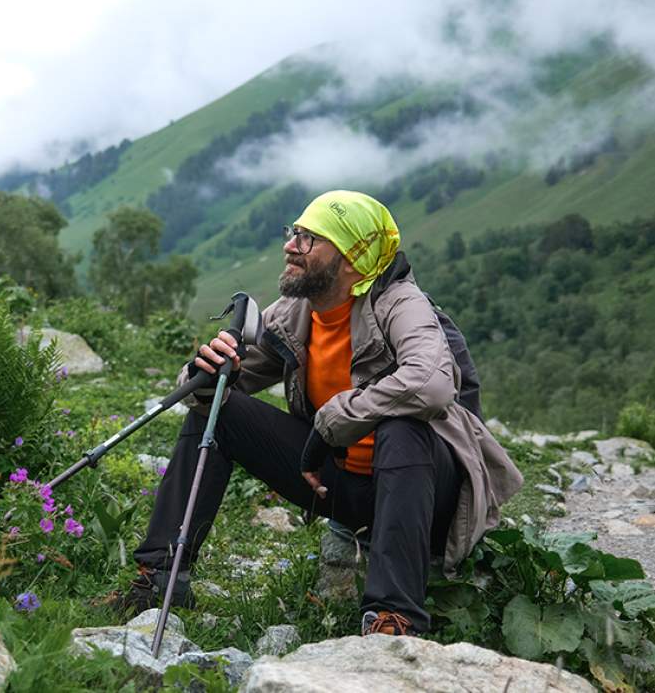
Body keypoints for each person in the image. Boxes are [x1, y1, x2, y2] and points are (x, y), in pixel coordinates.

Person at [108, 189, 523, 636]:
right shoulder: (294, 313)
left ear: (350, 259)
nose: (290, 245)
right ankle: (160, 577)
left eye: (308, 238)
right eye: (294, 232)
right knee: (216, 410)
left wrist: (335, 418)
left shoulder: (401, 304)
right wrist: (206, 371)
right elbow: (219, 386)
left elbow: (433, 384)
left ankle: (393, 617)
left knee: (403, 427)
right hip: (337, 483)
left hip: (421, 493)